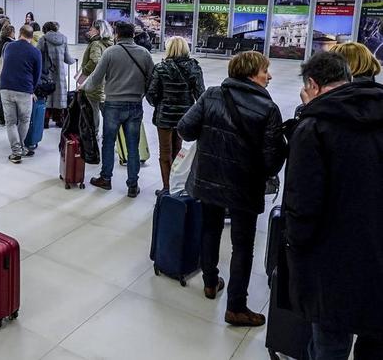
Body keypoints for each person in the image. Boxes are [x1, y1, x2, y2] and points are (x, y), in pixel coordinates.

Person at [283, 51, 383, 359]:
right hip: (378, 256)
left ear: (312, 84)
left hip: (331, 263)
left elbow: (302, 204)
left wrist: (294, 248)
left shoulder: (314, 127)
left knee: (329, 344)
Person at [177, 51, 286, 326]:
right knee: (242, 245)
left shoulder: (213, 94)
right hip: (244, 187)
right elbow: (272, 161)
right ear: (251, 73)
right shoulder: (268, 108)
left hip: (209, 179)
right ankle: (236, 306)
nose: (269, 76)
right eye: (265, 71)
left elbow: (185, 129)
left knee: (210, 229)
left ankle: (210, 282)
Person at [81, 21, 153, 197]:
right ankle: (132, 185)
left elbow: (96, 78)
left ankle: (105, 179)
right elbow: (152, 79)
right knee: (132, 146)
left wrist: (83, 88)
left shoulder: (110, 52)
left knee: (108, 142)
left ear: (117, 35)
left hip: (113, 104)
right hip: (135, 105)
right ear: (133, 35)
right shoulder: (144, 54)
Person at [145, 36, 204, 195]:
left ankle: (167, 188)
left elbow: (151, 94)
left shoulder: (161, 68)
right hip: (185, 117)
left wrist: (160, 103)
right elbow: (201, 95)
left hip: (164, 116)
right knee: (178, 152)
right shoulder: (194, 68)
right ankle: (177, 187)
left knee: (165, 153)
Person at [0, 24, 43, 163]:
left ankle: (16, 151)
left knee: (10, 121)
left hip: (5, 87)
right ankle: (20, 148)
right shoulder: (35, 52)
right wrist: (32, 89)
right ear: (32, 36)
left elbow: (6, 63)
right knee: (24, 120)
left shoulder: (8, 46)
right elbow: (37, 74)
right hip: (24, 89)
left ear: (20, 33)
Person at [77, 20, 113, 137]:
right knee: (106, 111)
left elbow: (95, 61)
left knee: (94, 109)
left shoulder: (96, 44)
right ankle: (110, 134)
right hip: (106, 82)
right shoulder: (110, 43)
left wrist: (85, 71)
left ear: (98, 30)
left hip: (95, 82)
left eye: (92, 29)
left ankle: (94, 133)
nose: (89, 31)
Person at [37, 21, 74, 128]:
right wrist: (74, 61)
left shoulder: (43, 39)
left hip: (47, 72)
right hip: (60, 73)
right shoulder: (64, 39)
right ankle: (59, 120)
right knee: (59, 96)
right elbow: (67, 58)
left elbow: (37, 54)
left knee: (47, 95)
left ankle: (45, 121)